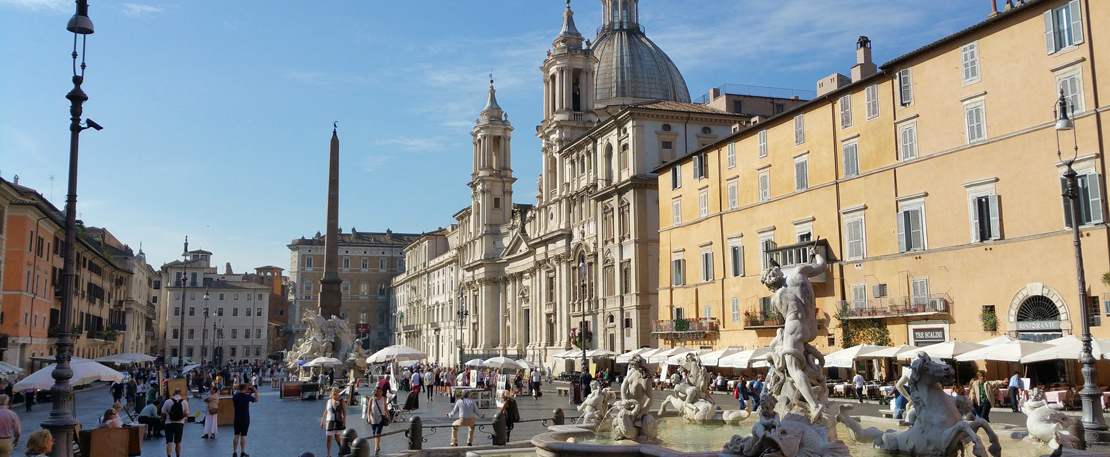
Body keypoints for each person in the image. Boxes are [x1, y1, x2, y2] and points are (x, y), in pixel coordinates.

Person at [161, 388, 190, 457]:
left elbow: (163, 412)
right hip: (179, 423)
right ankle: (178, 455)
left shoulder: (168, 401)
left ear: (173, 393)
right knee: (178, 442)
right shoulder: (184, 402)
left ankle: (169, 455)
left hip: (169, 423)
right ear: (180, 394)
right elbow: (187, 414)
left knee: (169, 441)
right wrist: (181, 416)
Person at [232, 383, 258, 457]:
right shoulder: (247, 397)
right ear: (245, 388)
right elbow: (256, 400)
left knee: (236, 434)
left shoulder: (235, 396)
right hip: (245, 417)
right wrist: (255, 392)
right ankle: (243, 452)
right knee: (243, 435)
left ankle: (234, 452)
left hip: (237, 417)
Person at [320, 388, 346, 457]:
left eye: (336, 392)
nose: (335, 393)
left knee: (337, 438)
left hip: (337, 421)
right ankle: (328, 454)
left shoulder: (341, 401)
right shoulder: (328, 401)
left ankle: (342, 449)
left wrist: (344, 421)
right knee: (329, 438)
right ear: (331, 393)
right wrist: (322, 421)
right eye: (333, 392)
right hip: (329, 421)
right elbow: (326, 411)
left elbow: (344, 411)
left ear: (338, 393)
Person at [367, 387, 388, 456]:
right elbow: (368, 410)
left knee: (377, 433)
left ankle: (376, 448)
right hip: (373, 419)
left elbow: (386, 408)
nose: (381, 393)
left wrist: (388, 416)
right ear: (377, 392)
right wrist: (368, 418)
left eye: (381, 392)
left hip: (380, 419)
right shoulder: (371, 399)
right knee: (375, 434)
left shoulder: (383, 399)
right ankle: (378, 445)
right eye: (380, 392)